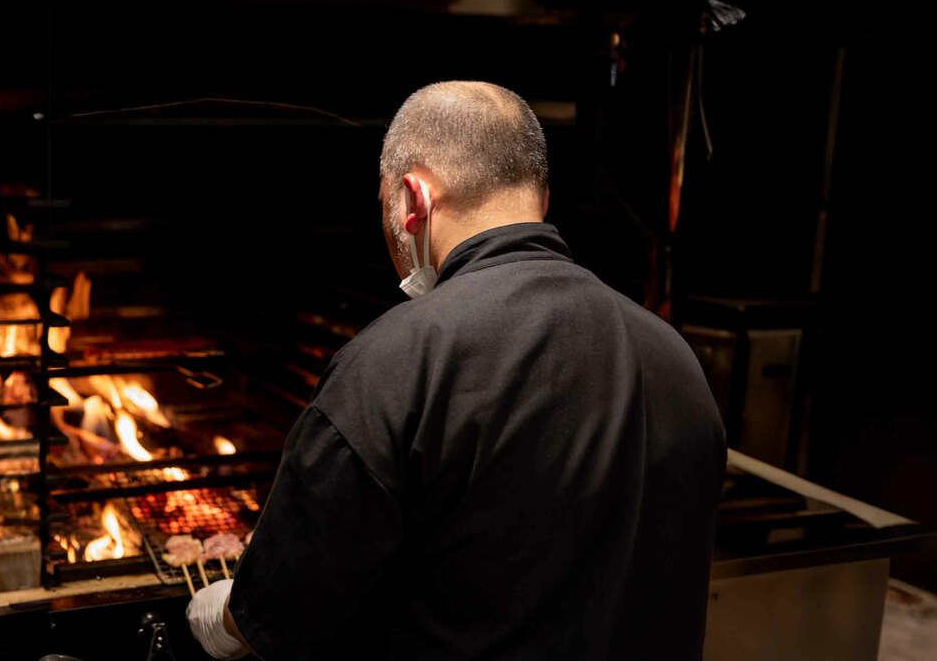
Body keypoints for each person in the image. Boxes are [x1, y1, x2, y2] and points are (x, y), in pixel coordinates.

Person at [187, 81, 726, 660]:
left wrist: (221, 617)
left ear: (413, 198)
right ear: (541, 201)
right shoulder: (675, 358)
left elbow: (286, 610)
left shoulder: (396, 361)